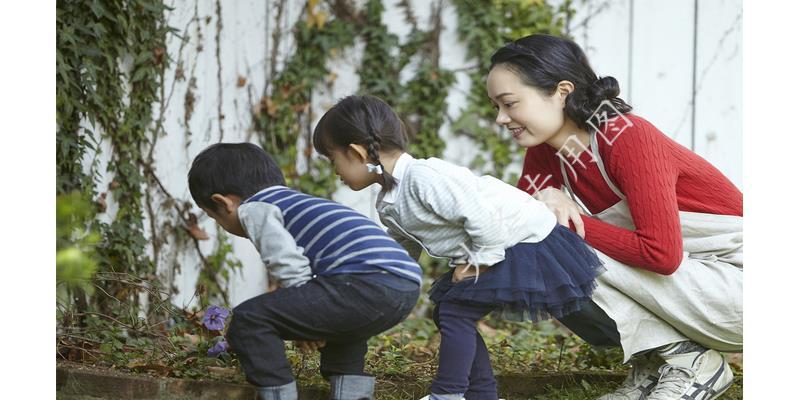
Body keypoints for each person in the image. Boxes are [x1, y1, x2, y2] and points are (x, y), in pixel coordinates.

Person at [486, 34, 742, 400]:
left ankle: (691, 362)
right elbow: (515, 223)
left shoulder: (626, 137)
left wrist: (571, 220)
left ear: (561, 91)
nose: (500, 118)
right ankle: (656, 361)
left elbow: (661, 255)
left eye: (509, 103)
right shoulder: (552, 149)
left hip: (738, 284)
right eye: (496, 106)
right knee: (531, 245)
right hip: (697, 280)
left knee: (553, 241)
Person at [312, 94, 605, 400]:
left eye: (334, 161)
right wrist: (384, 275)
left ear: (357, 152)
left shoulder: (423, 178)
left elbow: (483, 218)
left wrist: (478, 263)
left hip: (523, 240)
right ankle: (481, 394)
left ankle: (447, 393)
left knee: (454, 311)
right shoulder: (389, 199)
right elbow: (401, 245)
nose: (335, 172)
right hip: (502, 242)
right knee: (450, 313)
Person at [187, 142, 422, 400]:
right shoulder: (298, 202)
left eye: (214, 216)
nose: (220, 225)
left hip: (364, 282)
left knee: (249, 320)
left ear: (223, 202)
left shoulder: (254, 208)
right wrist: (309, 320)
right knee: (345, 331)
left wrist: (304, 323)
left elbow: (287, 262)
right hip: (404, 285)